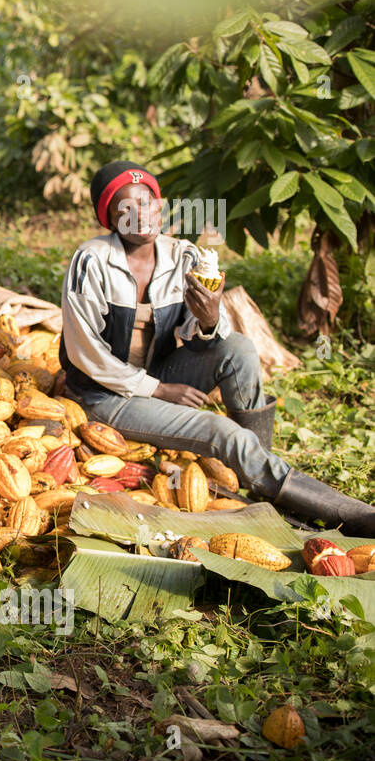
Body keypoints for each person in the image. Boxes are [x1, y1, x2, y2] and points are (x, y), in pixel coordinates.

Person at [60, 160, 375, 536]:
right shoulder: (92, 261)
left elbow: (211, 335)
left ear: (160, 206)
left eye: (147, 203)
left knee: (239, 348)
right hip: (106, 395)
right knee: (224, 432)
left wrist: (208, 318)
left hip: (160, 372)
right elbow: (84, 352)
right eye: (125, 209)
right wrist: (157, 390)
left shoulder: (184, 256)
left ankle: (258, 479)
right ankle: (353, 515)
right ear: (109, 218)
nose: (140, 216)